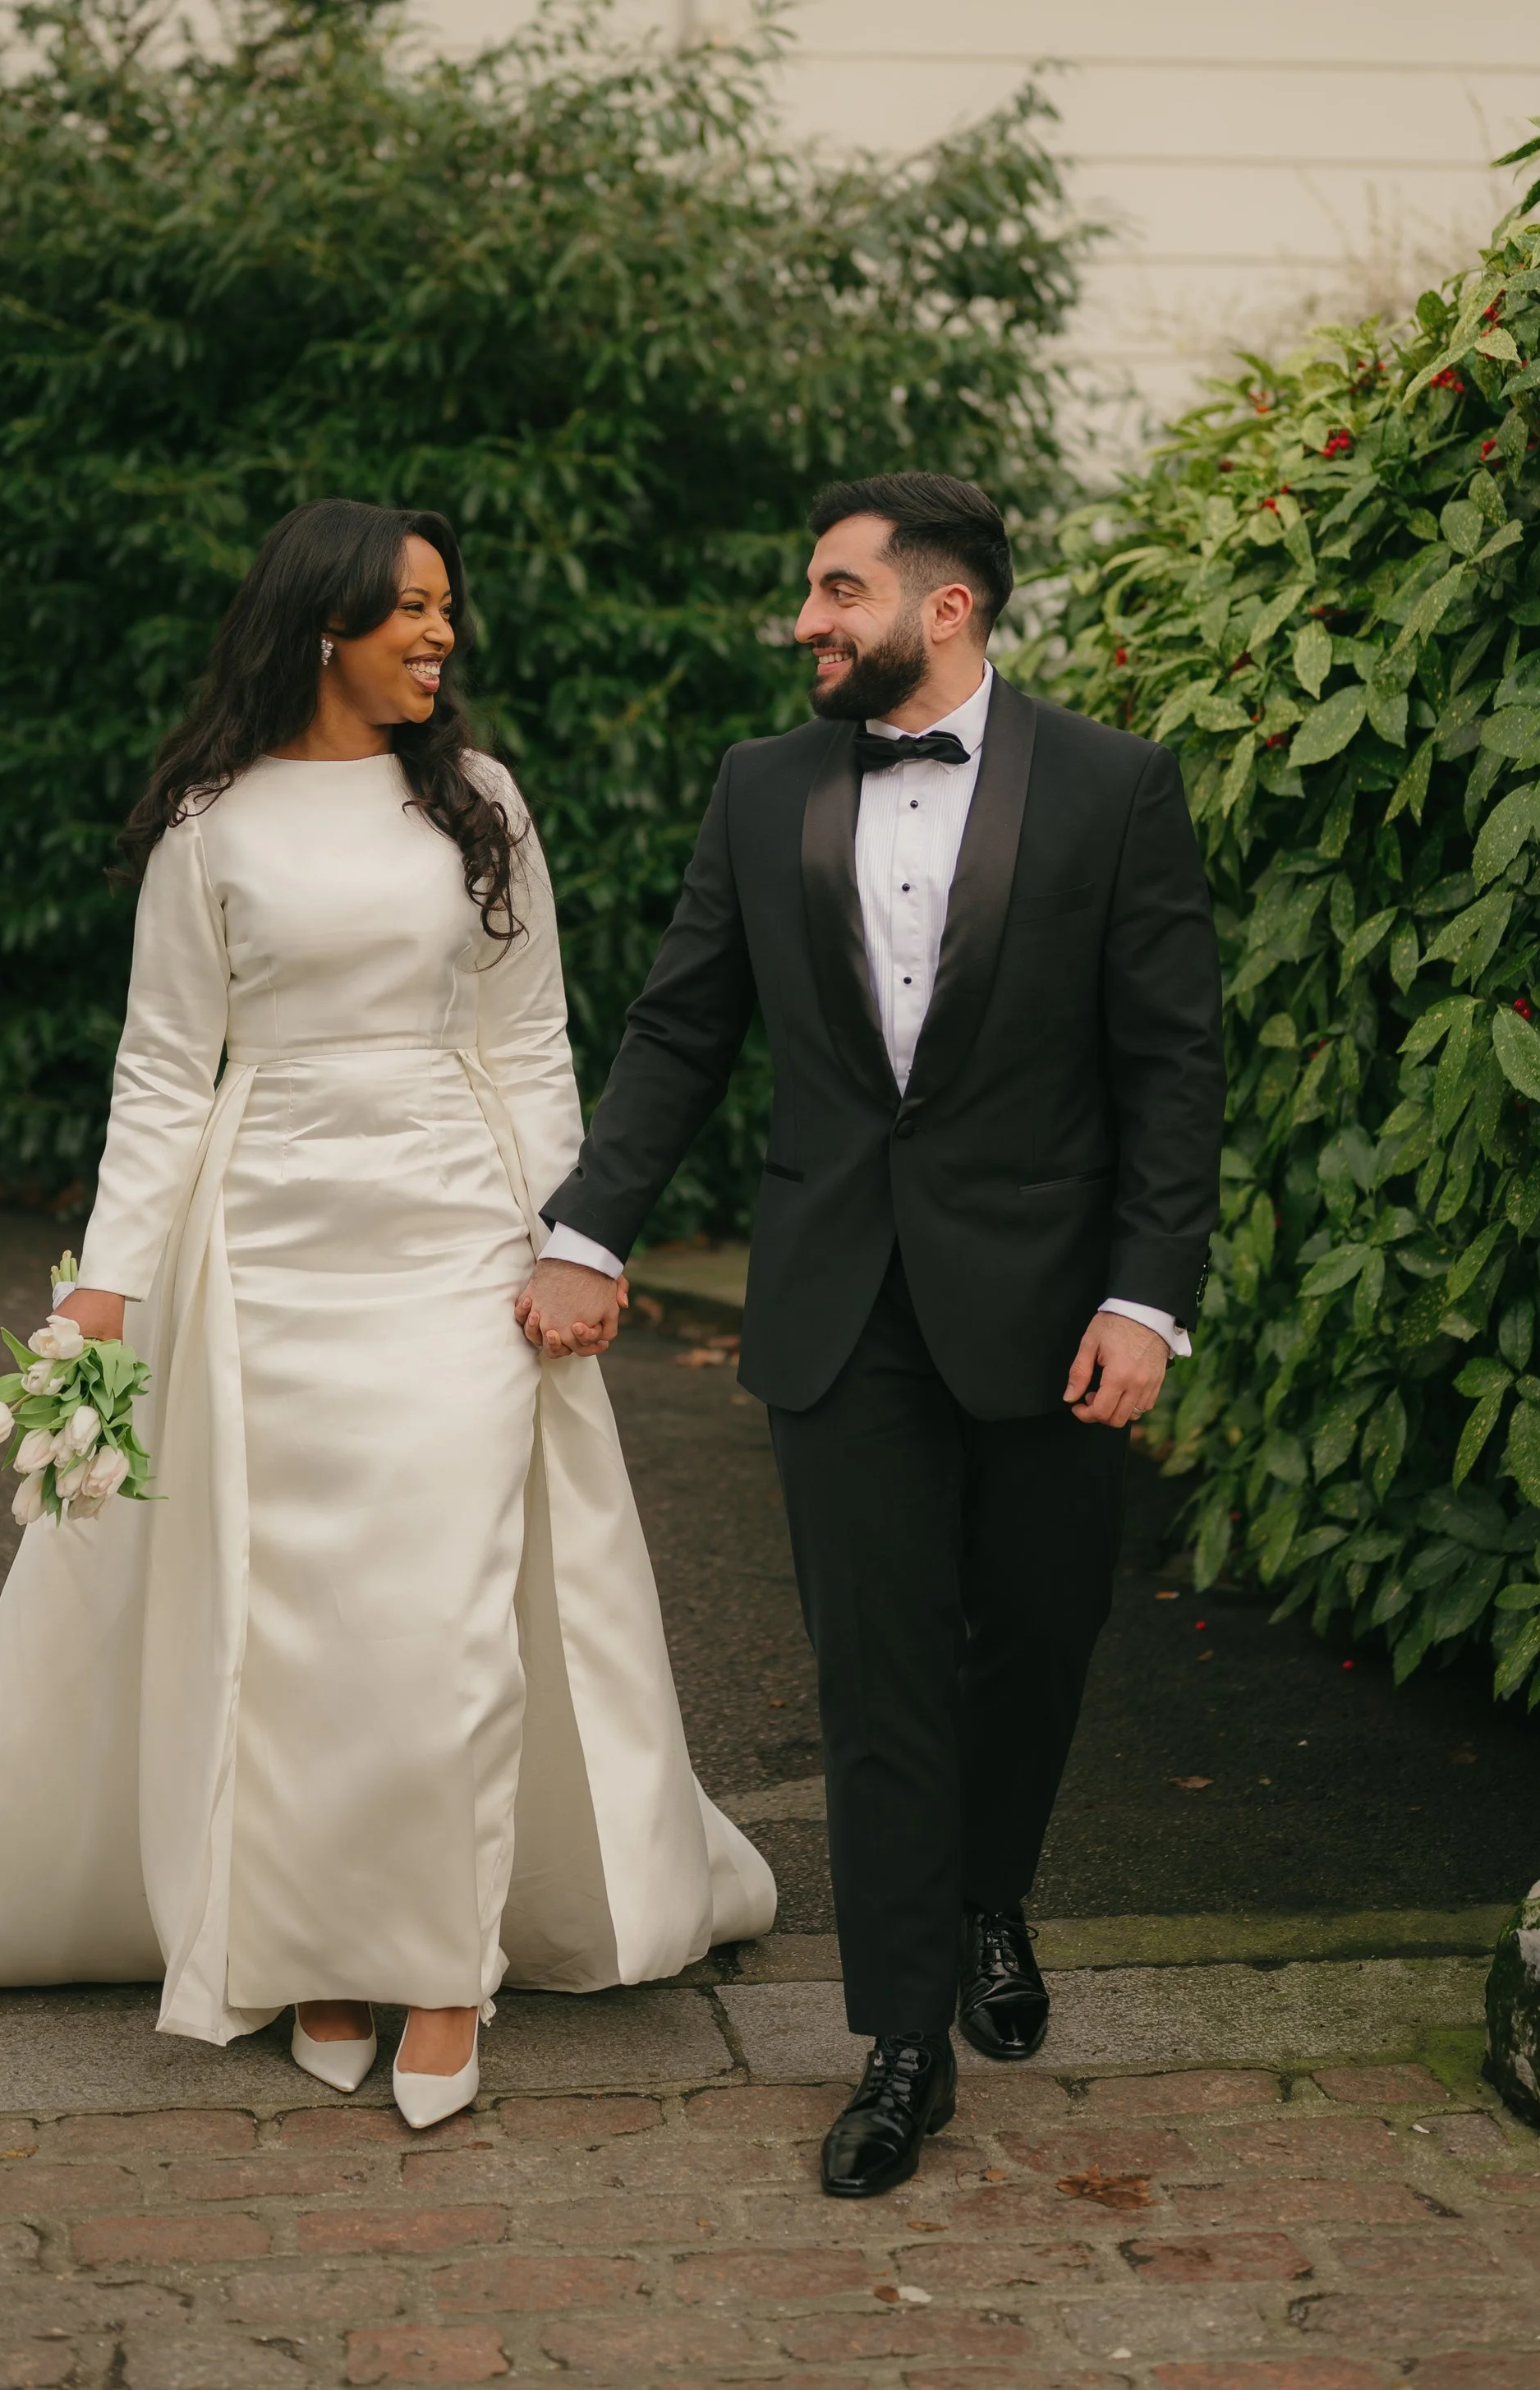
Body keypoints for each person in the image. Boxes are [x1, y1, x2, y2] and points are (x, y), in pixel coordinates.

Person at [0, 498, 774, 2116]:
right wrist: (102, 1292)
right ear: (323, 626)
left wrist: (574, 1243)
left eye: (448, 607)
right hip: (270, 1250)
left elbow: (530, 1040)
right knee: (293, 1633)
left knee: (440, 1622)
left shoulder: (483, 802)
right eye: (412, 608)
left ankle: (442, 1973)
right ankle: (317, 1958)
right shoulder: (209, 823)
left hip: (458, 1237)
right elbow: (163, 1070)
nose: (442, 634)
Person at [517, 471, 1223, 2195]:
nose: (806, 622)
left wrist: (1146, 1297)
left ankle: (987, 1895)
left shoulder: (1115, 786)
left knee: (1035, 1640)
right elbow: (683, 1027)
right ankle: (903, 2041)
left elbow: (1169, 1062)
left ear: (945, 606)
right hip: (837, 1303)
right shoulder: (761, 787)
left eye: (837, 591)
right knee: (878, 1671)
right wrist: (587, 1228)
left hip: (1054, 1309)